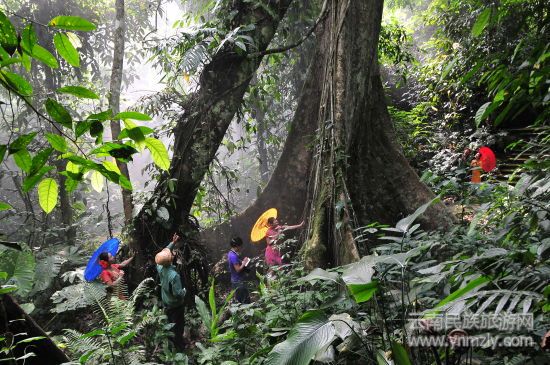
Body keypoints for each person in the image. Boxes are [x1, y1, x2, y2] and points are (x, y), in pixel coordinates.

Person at [155, 232, 187, 351]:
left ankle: (171, 344)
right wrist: (184, 291)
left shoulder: (160, 267)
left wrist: (173, 243)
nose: (172, 253)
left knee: (170, 324)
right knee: (178, 326)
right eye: (171, 254)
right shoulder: (174, 276)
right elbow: (178, 293)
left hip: (167, 303)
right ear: (171, 259)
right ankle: (180, 347)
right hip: (176, 304)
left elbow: (165, 253)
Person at [227, 237, 251, 304]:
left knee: (240, 298)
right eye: (241, 246)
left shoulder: (231, 253)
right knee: (244, 300)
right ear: (237, 246)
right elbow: (238, 269)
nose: (241, 248)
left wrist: (243, 261)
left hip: (235, 280)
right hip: (238, 281)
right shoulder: (233, 256)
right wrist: (244, 263)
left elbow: (236, 265)